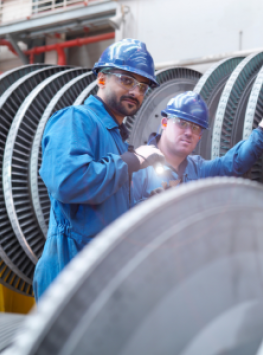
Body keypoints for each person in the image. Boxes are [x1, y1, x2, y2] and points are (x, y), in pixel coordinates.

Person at [33, 39, 165, 302]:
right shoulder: (76, 119)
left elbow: (115, 204)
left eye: (142, 86)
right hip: (68, 273)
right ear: (102, 78)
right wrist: (135, 160)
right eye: (126, 80)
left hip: (102, 275)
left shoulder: (118, 139)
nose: (135, 92)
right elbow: (68, 182)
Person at [131, 90, 263, 203]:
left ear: (200, 136)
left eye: (196, 128)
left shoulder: (198, 169)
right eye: (182, 123)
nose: (189, 133)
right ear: (164, 123)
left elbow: (234, 163)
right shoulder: (137, 167)